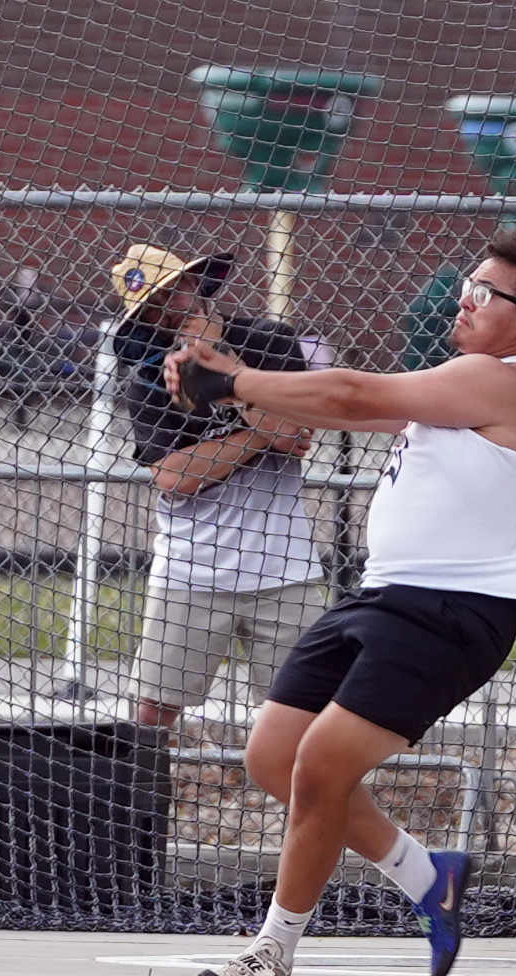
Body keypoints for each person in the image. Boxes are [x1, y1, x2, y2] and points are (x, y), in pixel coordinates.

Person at [164, 216, 516, 976]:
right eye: (470, 284)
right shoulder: (464, 374)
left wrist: (230, 379)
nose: (466, 299)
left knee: (321, 766)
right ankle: (427, 876)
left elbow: (352, 389)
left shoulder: (512, 381)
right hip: (385, 594)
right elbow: (347, 408)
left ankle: (271, 953)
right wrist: (234, 379)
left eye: (486, 291)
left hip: (453, 612)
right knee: (274, 755)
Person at [108, 243, 326, 731]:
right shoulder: (149, 375)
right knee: (152, 711)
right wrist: (257, 424)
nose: (169, 310)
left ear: (195, 286)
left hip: (284, 567)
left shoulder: (268, 342)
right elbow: (176, 477)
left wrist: (225, 374)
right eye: (153, 307)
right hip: (192, 569)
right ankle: (140, 806)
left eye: (174, 293)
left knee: (303, 716)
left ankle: (301, 808)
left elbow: (294, 434)